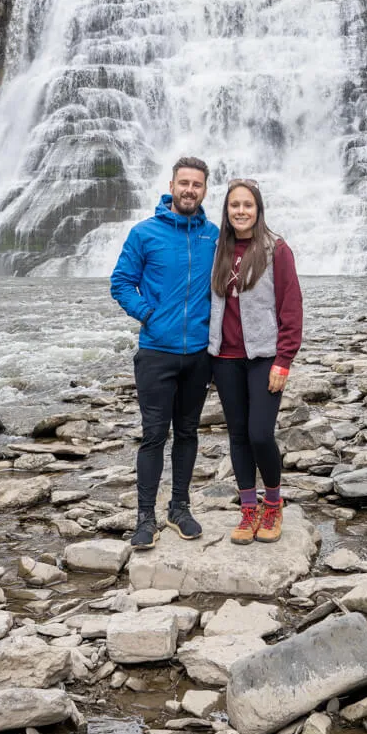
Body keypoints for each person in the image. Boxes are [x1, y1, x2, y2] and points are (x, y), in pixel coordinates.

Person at [111, 157, 219, 550]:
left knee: (188, 432)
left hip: (199, 355)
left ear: (205, 190)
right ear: (171, 184)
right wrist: (148, 315)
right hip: (156, 351)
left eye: (197, 184)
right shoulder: (145, 233)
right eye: (184, 183)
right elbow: (121, 282)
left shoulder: (213, 236)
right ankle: (145, 517)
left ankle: (179, 508)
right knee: (154, 435)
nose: (190, 189)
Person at [208, 179, 303, 544]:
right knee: (237, 435)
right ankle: (248, 509)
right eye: (235, 205)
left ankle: (274, 503)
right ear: (227, 211)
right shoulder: (217, 250)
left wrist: (285, 358)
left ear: (258, 209)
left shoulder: (276, 250)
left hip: (264, 356)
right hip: (225, 358)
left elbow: (291, 307)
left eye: (248, 205)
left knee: (259, 433)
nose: (241, 211)